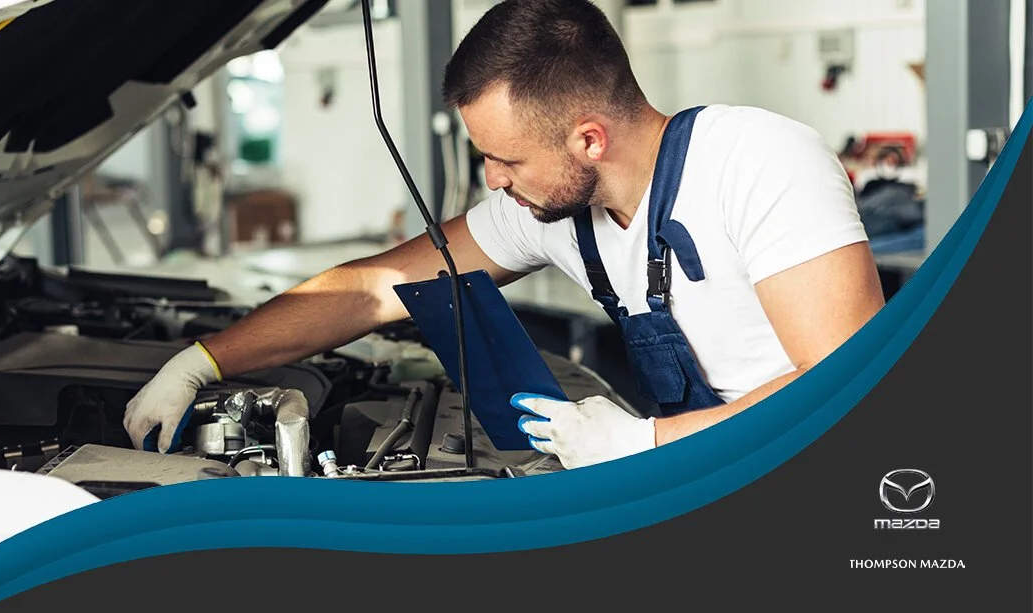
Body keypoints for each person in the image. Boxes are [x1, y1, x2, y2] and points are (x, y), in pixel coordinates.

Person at [123, 0, 885, 469]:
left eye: (504, 158)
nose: (491, 178)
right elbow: (370, 290)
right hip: (707, 474)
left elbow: (854, 385)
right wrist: (200, 361)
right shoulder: (551, 212)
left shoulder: (757, 161)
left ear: (588, 140)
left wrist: (649, 445)